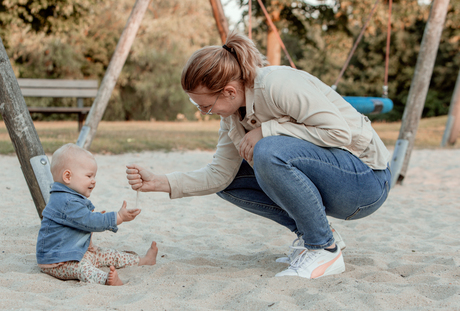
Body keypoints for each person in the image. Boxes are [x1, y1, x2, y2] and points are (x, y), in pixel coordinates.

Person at [126, 31, 391, 279]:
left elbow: (339, 134)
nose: (205, 112)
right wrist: (159, 182)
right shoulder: (232, 117)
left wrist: (267, 130)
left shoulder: (278, 84)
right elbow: (219, 175)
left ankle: (323, 249)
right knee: (230, 181)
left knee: (267, 150)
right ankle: (319, 234)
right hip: (336, 181)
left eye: (206, 106)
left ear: (229, 91)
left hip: (365, 181)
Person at [37, 143, 158, 286]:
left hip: (74, 252)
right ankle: (106, 280)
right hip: (57, 261)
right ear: (67, 176)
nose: (94, 181)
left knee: (105, 253)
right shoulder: (66, 202)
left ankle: (142, 261)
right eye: (89, 176)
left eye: (94, 176)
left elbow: (81, 221)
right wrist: (118, 217)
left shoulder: (68, 198)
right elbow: (89, 221)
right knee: (82, 269)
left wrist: (92, 218)